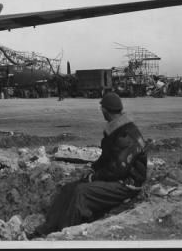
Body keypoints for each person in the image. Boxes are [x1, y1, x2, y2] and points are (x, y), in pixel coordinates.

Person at [30, 92, 147, 238]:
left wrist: (94, 177)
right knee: (68, 189)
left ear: (105, 109)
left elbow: (118, 170)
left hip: (127, 184)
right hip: (116, 177)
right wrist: (93, 168)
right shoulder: (117, 129)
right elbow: (106, 159)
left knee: (81, 192)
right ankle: (46, 229)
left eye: (102, 108)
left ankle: (64, 234)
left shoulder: (125, 135)